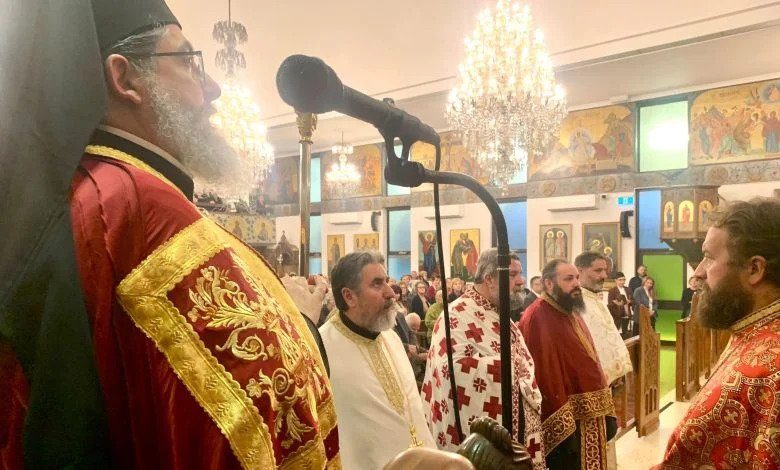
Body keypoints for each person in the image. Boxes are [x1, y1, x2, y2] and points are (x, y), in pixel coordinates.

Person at [0, 2, 338, 467]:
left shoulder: (101, 190)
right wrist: (302, 323)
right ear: (124, 79)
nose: (214, 88)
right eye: (187, 61)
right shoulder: (135, 207)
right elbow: (248, 406)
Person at [655, 198, 780, 468]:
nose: (698, 273)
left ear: (754, 269)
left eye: (709, 257)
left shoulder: (763, 372)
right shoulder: (752, 330)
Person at [422, 249, 546, 470]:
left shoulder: (498, 312)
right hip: (482, 444)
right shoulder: (456, 315)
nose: (521, 281)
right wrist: (508, 368)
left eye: (521, 273)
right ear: (490, 279)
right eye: (514, 274)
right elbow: (451, 370)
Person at [319, 252, 436, 468]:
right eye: (377, 284)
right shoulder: (322, 348)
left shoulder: (390, 337)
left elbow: (412, 411)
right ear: (349, 297)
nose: (391, 293)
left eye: (387, 282)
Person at [519, 259, 616, 470]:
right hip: (568, 416)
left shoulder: (569, 310)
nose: (576, 284)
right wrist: (563, 421)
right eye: (569, 279)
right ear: (549, 284)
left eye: (577, 278)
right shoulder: (537, 317)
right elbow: (544, 375)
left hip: (589, 413)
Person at [575, 253, 633, 388]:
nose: (604, 276)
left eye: (605, 270)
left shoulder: (594, 298)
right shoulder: (573, 302)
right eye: (598, 270)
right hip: (591, 381)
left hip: (611, 381)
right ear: (580, 270)